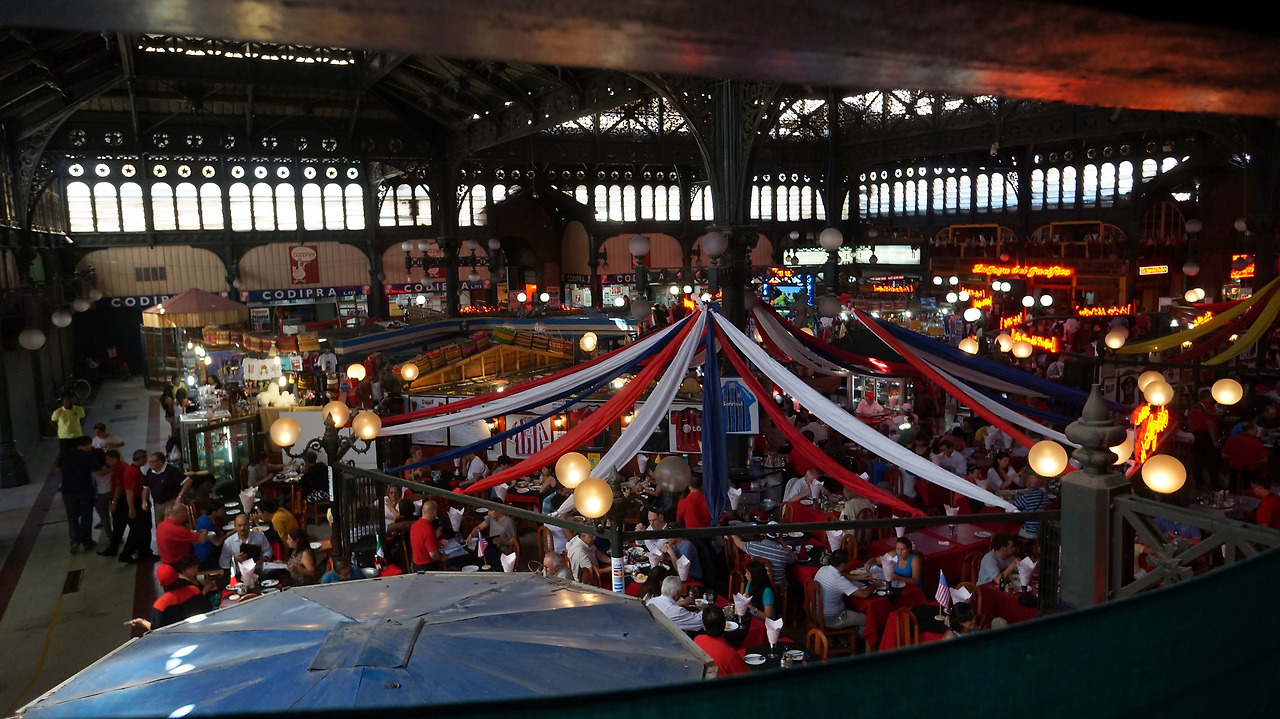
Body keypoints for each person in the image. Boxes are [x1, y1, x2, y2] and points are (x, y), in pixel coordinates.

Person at [129, 556, 217, 632]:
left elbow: (156, 630)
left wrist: (142, 621)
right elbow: (206, 611)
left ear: (160, 583)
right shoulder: (194, 590)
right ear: (177, 576)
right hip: (200, 630)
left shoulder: (161, 604)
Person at [813, 549, 878, 630]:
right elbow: (864, 594)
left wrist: (860, 577)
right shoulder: (840, 581)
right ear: (843, 564)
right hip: (832, 618)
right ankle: (857, 638)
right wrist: (875, 584)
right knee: (866, 619)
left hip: (814, 611)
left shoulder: (823, 569)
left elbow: (841, 574)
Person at [59, 435, 100, 553]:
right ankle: (87, 542)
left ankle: (75, 541)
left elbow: (58, 469)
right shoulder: (88, 456)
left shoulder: (65, 454)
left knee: (72, 517)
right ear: (87, 444)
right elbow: (97, 470)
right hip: (85, 490)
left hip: (68, 491)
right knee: (86, 517)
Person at [694, 606, 751, 676]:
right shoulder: (729, 654)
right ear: (724, 624)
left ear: (704, 626)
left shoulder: (697, 640)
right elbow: (747, 678)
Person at [731, 530, 795, 589]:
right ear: (779, 537)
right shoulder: (784, 552)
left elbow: (739, 543)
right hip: (777, 589)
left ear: (764, 534)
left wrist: (732, 533)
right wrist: (782, 542)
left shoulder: (753, 546)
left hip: (757, 587)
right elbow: (793, 558)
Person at [1186, 388, 1221, 491]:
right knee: (1212, 462)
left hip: (1196, 435)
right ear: (1209, 396)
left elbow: (1190, 422)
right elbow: (1210, 425)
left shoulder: (1193, 407)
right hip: (1206, 436)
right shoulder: (1209, 407)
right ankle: (1214, 485)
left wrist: (1193, 434)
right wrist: (1214, 441)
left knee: (1198, 462)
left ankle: (1199, 485)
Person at [144, 451, 191, 525]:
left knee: (170, 525)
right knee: (160, 526)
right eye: (150, 462)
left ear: (160, 462)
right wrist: (144, 501)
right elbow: (146, 487)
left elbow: (188, 481)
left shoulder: (171, 470)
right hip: (158, 504)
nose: (150, 464)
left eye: (152, 462)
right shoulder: (150, 472)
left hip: (170, 502)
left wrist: (179, 497)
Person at [1222, 421, 1268, 492]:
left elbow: (1225, 457)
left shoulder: (1231, 440)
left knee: (1234, 494)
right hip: (1251, 473)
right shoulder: (1257, 443)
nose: (1257, 431)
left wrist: (1224, 471)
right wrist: (1264, 477)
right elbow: (1263, 461)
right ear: (1250, 431)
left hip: (1234, 472)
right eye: (1256, 429)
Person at [410, 500, 445, 571]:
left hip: (415, 563)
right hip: (427, 566)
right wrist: (442, 558)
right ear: (435, 512)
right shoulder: (428, 529)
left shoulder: (414, 525)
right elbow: (433, 555)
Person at [192, 500, 226, 570]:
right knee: (229, 558)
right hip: (205, 559)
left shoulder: (202, 518)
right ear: (214, 512)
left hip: (203, 554)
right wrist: (233, 532)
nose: (223, 511)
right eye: (221, 510)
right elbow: (217, 543)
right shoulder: (206, 524)